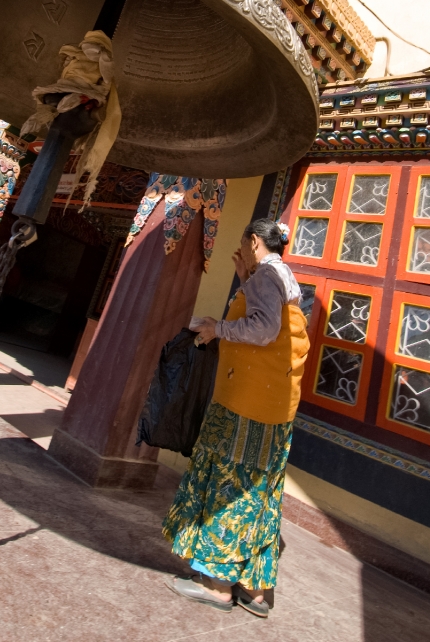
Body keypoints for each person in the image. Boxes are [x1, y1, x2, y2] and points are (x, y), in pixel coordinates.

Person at [163, 217, 309, 619]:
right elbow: (279, 325)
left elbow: (264, 329)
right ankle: (256, 590)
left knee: (232, 482)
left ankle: (216, 583)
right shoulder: (283, 276)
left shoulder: (266, 276)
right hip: (273, 405)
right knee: (262, 490)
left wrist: (217, 328)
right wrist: (245, 279)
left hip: (246, 404)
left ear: (252, 241)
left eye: (245, 242)